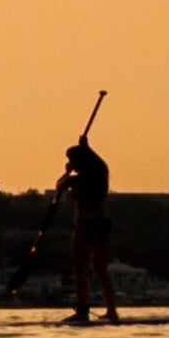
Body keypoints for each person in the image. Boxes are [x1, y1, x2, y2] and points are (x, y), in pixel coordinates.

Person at [61, 125, 115, 322]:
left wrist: (66, 172)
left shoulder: (76, 180)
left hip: (85, 224)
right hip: (103, 223)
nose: (69, 163)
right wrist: (88, 148)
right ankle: (112, 310)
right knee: (100, 268)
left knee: (80, 267)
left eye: (70, 160)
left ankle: (82, 311)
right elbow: (100, 163)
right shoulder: (101, 173)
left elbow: (59, 186)